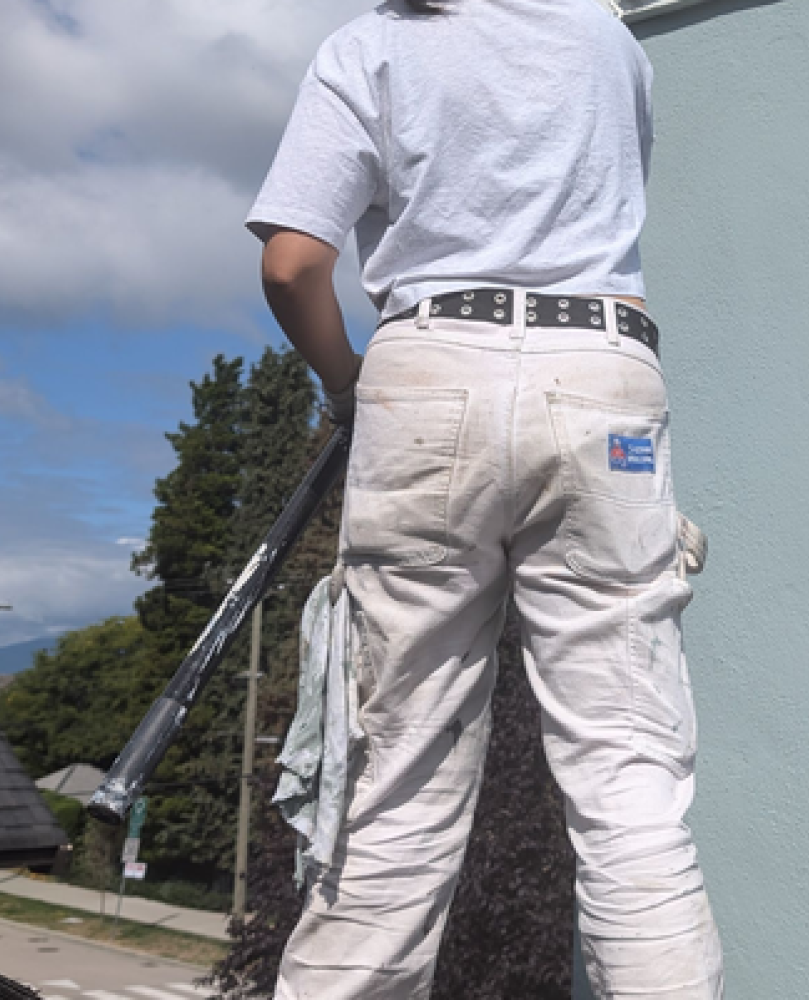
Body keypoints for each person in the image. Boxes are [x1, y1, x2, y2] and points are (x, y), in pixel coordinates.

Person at [245, 0, 724, 996]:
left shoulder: (370, 46)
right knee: (630, 782)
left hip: (430, 368)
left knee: (394, 778)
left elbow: (294, 265)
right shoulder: (612, 45)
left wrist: (346, 386)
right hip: (604, 375)